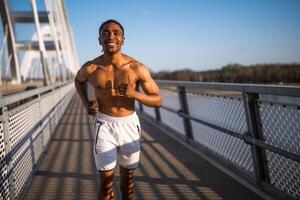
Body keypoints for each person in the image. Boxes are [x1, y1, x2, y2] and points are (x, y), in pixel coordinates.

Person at [74, 19, 162, 200]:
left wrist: (135, 95)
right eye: (105, 33)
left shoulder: (137, 68)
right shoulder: (91, 67)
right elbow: (78, 80)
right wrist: (86, 103)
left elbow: (158, 100)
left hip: (129, 124)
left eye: (116, 33)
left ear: (123, 39)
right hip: (104, 124)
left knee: (127, 179)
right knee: (105, 184)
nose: (111, 36)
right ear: (99, 40)